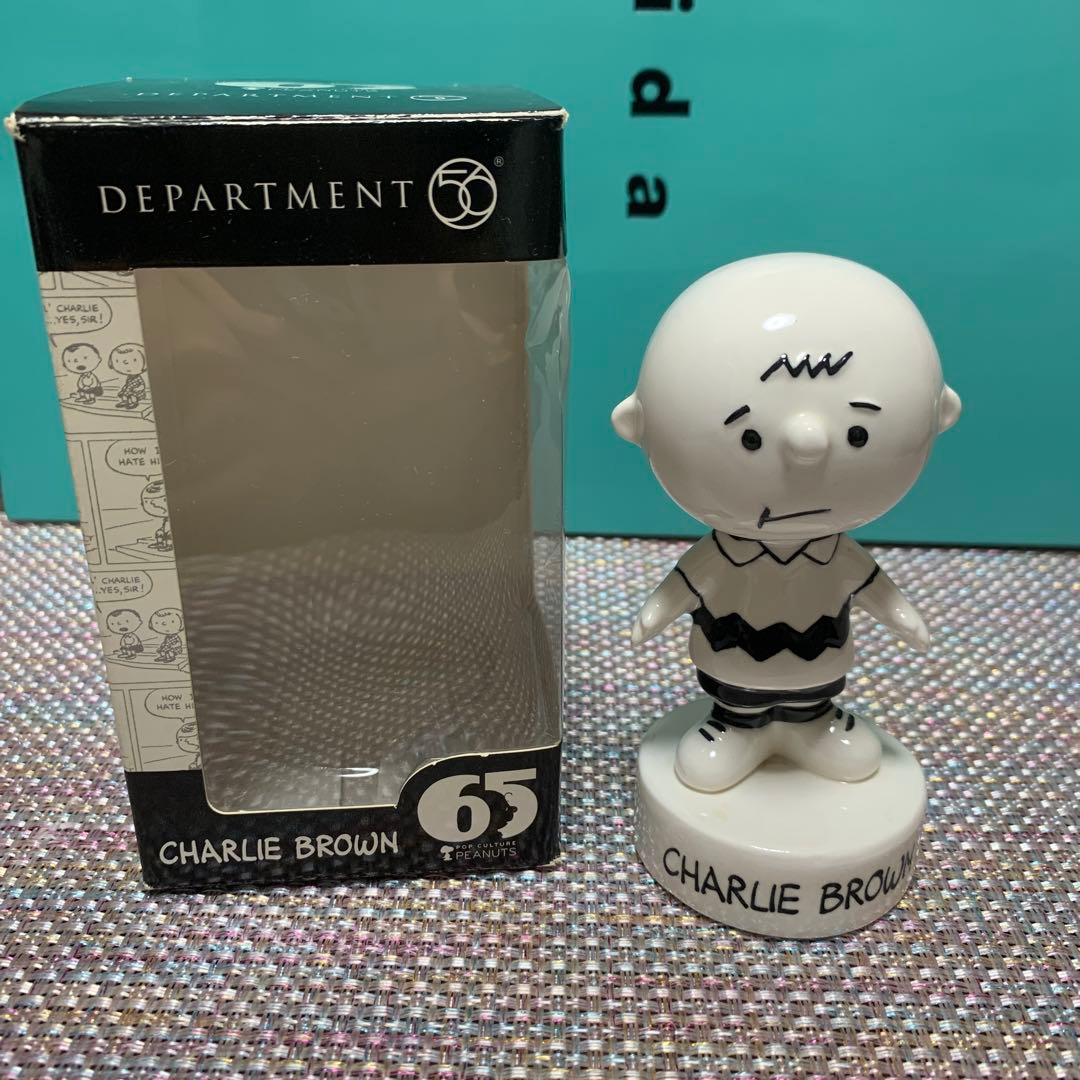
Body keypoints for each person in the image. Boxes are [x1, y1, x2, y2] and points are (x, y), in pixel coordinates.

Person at [612, 253, 961, 792]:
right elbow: (685, 584)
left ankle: (812, 723)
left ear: (941, 413)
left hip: (819, 658)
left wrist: (903, 615)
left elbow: (873, 587)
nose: (808, 445)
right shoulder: (725, 555)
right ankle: (735, 727)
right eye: (750, 438)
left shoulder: (836, 554)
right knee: (738, 693)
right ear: (639, 425)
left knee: (813, 691)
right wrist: (654, 613)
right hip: (734, 658)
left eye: (857, 434)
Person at [110, 343, 148, 410]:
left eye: (134, 360)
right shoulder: (129, 377)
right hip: (129, 390)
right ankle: (124, 402)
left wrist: (138, 389)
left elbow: (142, 385)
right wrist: (124, 389)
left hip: (136, 392)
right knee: (124, 395)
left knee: (132, 396)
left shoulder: (138, 377)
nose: (127, 367)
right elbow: (127, 384)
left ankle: (133, 403)